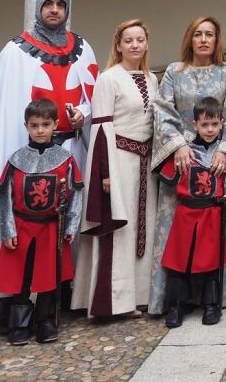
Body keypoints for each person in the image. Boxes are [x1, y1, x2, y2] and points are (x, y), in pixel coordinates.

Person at [0, 0, 98, 335]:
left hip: (69, 151)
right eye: (48, 4)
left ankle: (57, 296)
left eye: (60, 4)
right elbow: (8, 114)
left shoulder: (83, 49)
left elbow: (92, 95)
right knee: (24, 228)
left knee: (64, 227)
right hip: (26, 156)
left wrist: (81, 115)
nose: (54, 9)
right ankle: (11, 300)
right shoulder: (14, 52)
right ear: (38, 9)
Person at [149, 16, 226, 315]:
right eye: (198, 34)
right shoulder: (173, 72)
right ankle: (177, 299)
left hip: (216, 165)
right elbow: (162, 110)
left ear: (217, 41)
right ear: (189, 39)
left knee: (215, 235)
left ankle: (214, 298)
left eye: (209, 35)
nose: (204, 40)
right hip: (182, 165)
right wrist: (178, 145)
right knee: (178, 237)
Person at [72, 19, 158, 318]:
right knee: (120, 229)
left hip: (145, 166)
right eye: (128, 40)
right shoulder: (108, 78)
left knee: (141, 229)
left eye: (140, 40)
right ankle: (113, 302)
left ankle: (142, 296)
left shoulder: (151, 78)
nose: (134, 45)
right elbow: (100, 129)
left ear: (147, 43)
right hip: (118, 162)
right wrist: (104, 174)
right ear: (118, 45)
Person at [0, 98, 83, 345]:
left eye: (45, 124)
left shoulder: (65, 159)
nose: (40, 130)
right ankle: (20, 322)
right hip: (22, 226)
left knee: (48, 276)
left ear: (55, 125)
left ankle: (45, 321)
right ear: (26, 126)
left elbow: (75, 194)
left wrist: (71, 225)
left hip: (51, 227)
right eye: (34, 125)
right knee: (22, 275)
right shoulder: (16, 159)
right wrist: (7, 229)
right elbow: (6, 198)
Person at [156, 97, 226, 328]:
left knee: (210, 262)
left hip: (211, 214)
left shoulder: (225, 155)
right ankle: (176, 305)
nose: (210, 129)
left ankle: (211, 305)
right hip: (186, 213)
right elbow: (165, 177)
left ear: (221, 124)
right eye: (205, 125)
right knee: (179, 261)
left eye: (214, 124)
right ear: (195, 124)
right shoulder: (184, 152)